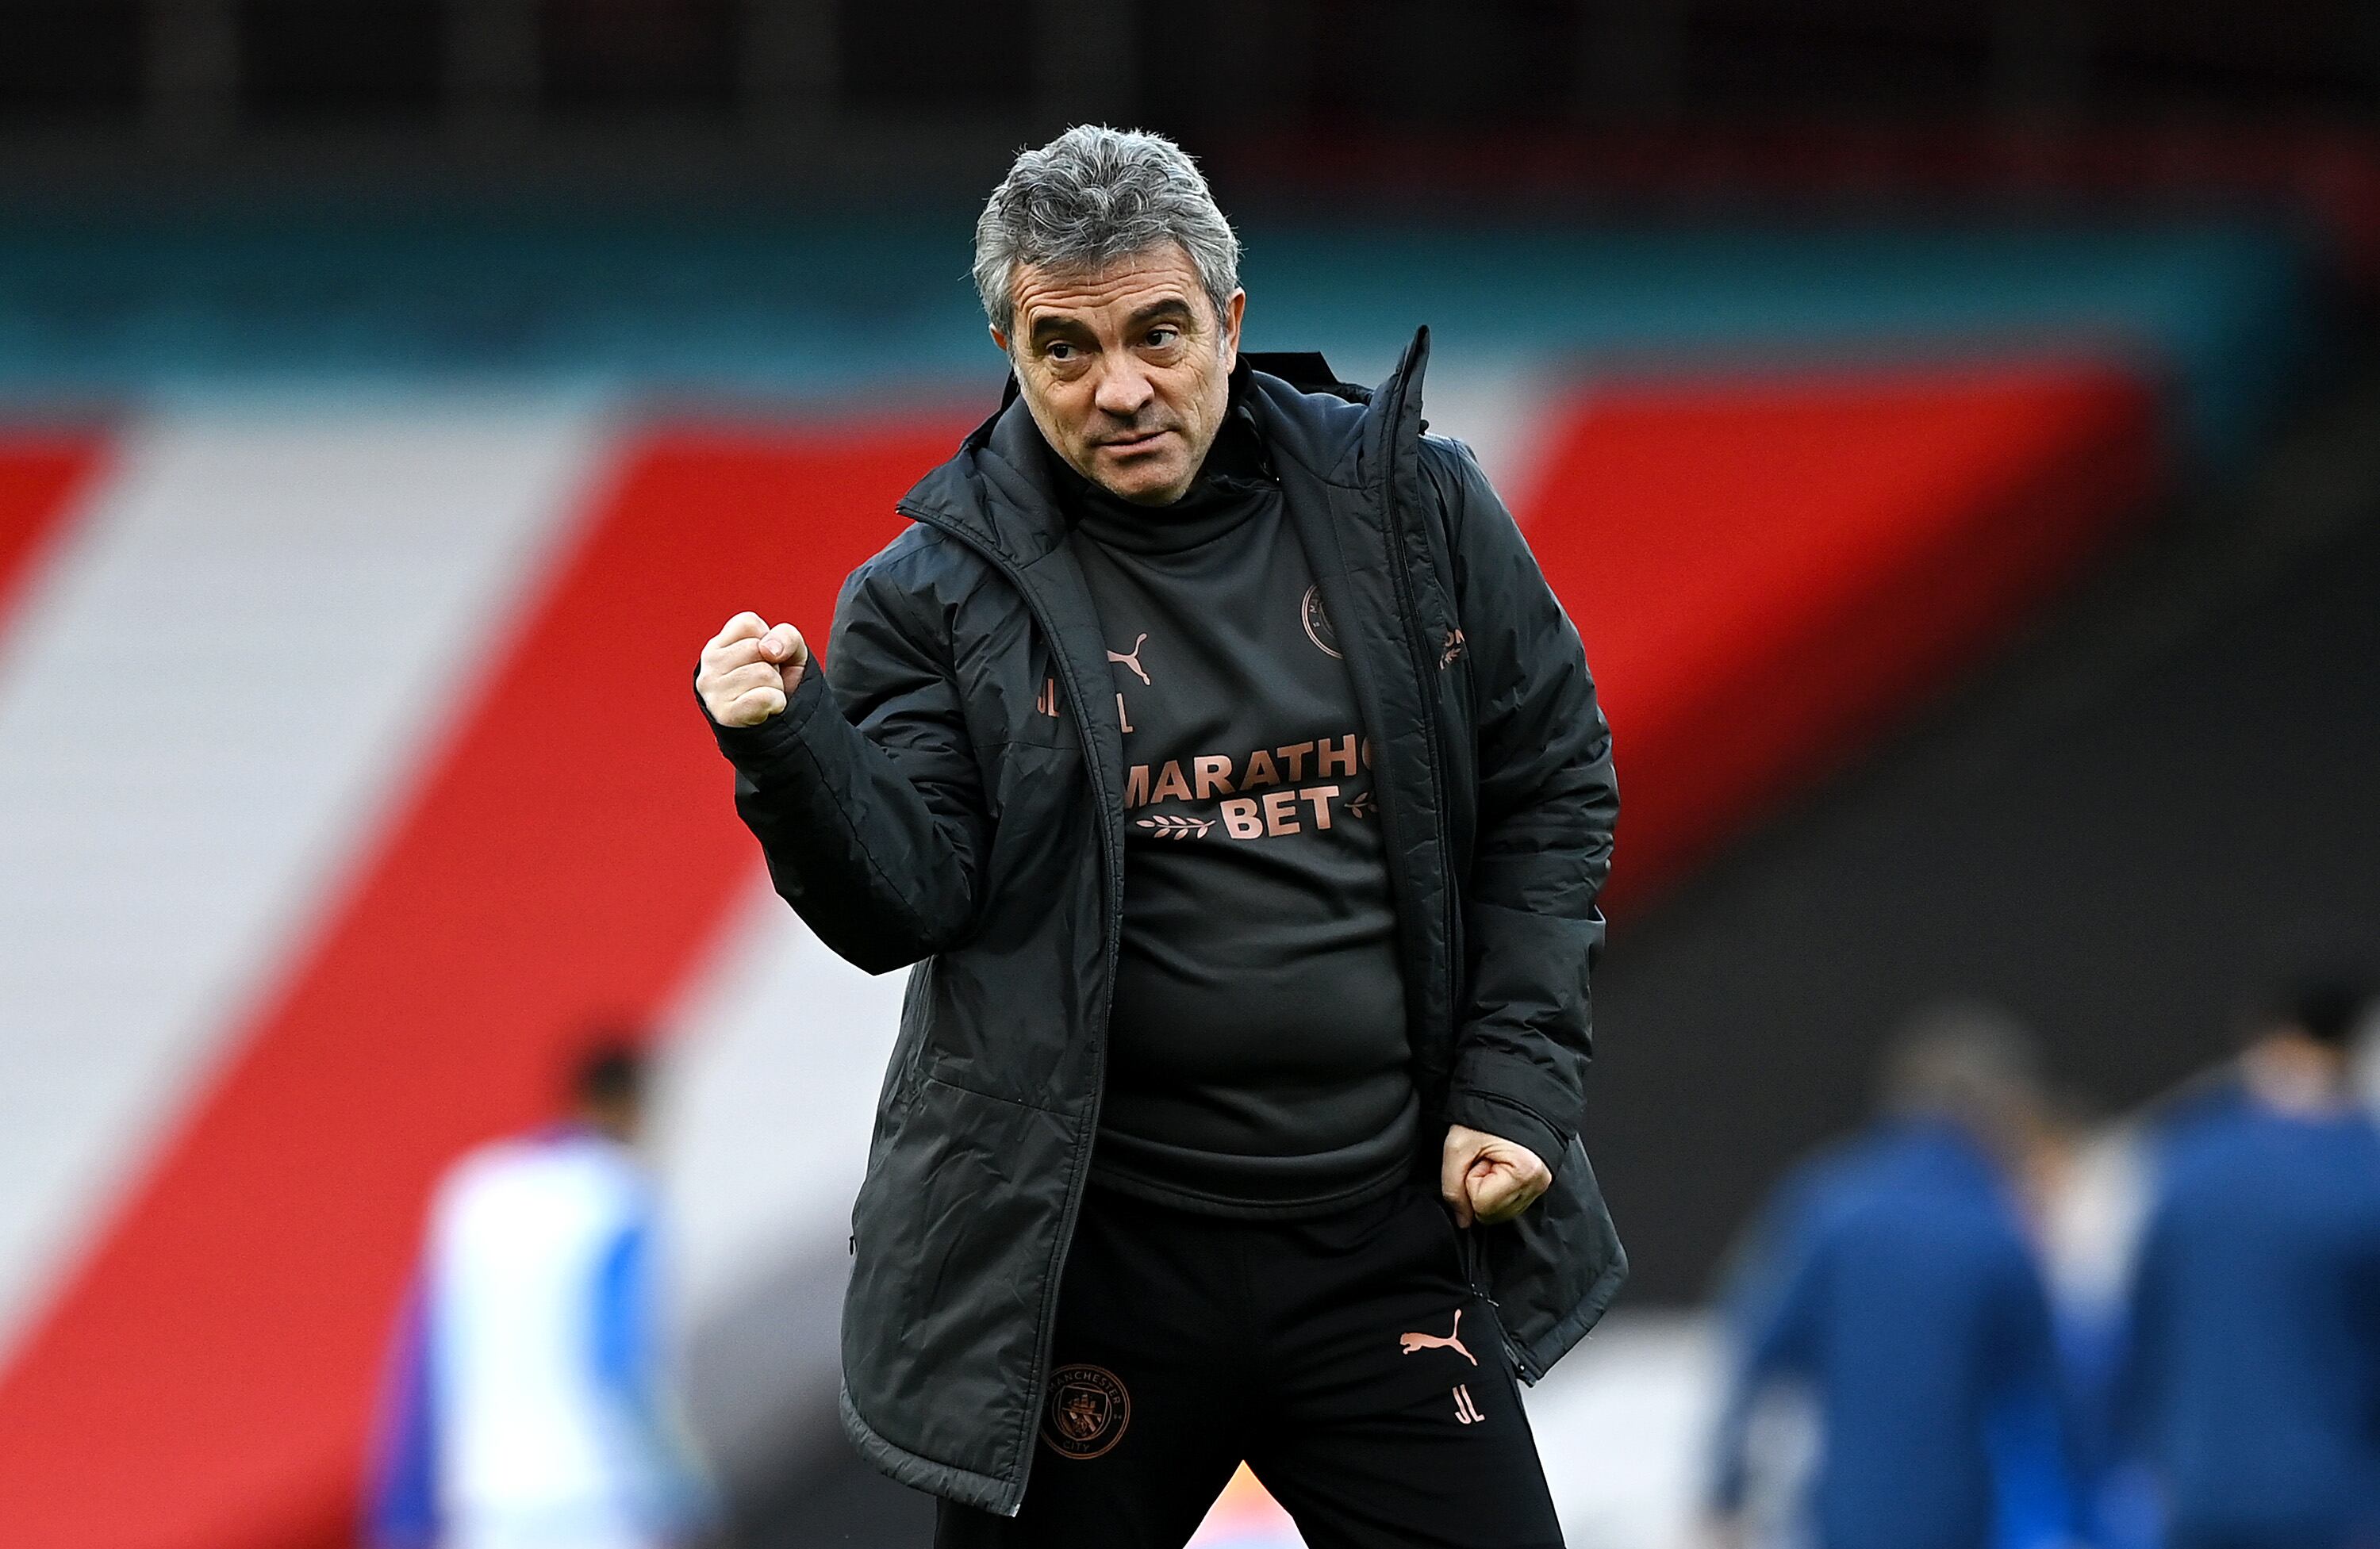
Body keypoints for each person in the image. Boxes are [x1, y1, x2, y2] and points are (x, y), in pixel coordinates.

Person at [693, 125, 1621, 1544]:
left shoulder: (1419, 508)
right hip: (1086, 1271)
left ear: (1232, 321)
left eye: (1159, 333)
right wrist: (792, 750)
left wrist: (1513, 1080)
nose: (1120, 387)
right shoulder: (925, 594)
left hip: (1379, 1246)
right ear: (1008, 346)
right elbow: (904, 902)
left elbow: (1555, 776)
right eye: (1066, 349)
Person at [1704, 1004, 2082, 1549]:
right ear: (1998, 1110)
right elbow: (2046, 1398)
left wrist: (1725, 1492)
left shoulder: (1824, 1204)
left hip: (1842, 1516)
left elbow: (1755, 1351)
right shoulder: (1995, 1228)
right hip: (1960, 1520)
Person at [367, 1041, 708, 1549]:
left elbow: (422, 1364)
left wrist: (400, 1515)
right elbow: (620, 1362)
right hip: (597, 1499)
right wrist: (684, 1494)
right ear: (628, 1104)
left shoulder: (476, 1192)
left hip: (486, 1502)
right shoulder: (620, 1198)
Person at [2116, 972, 2380, 1549]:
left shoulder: (2188, 1159)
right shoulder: (2364, 1171)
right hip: (2333, 1500)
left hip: (2201, 1488)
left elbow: (2143, 1334)